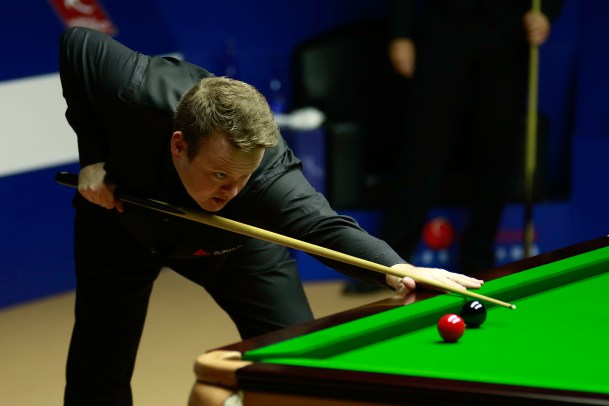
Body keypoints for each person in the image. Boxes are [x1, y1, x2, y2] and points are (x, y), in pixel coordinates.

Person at [58, 27, 483, 406]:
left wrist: (397, 268)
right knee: (99, 371)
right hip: (120, 224)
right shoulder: (137, 90)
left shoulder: (269, 176)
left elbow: (323, 225)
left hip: (232, 246)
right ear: (179, 145)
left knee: (299, 366)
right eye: (219, 174)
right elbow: (77, 43)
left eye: (243, 177)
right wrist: (92, 156)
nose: (231, 190)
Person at [382, 0, 563, 273]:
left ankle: (479, 262)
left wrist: (546, 11)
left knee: (498, 147)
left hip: (509, 28)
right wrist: (401, 32)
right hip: (444, 23)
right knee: (422, 144)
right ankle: (391, 261)